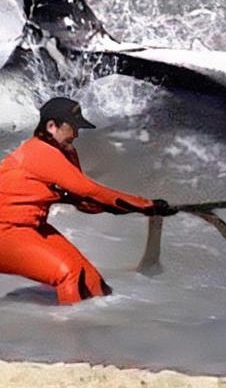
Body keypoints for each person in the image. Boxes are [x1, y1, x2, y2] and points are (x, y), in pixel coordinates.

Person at [0, 97, 172, 304]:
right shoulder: (39, 152)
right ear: (51, 126)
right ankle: (74, 332)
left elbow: (84, 201)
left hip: (31, 228)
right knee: (69, 274)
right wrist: (145, 205)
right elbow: (90, 191)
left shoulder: (66, 152)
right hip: (5, 233)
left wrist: (119, 207)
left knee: (92, 283)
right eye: (72, 127)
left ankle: (106, 330)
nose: (76, 133)